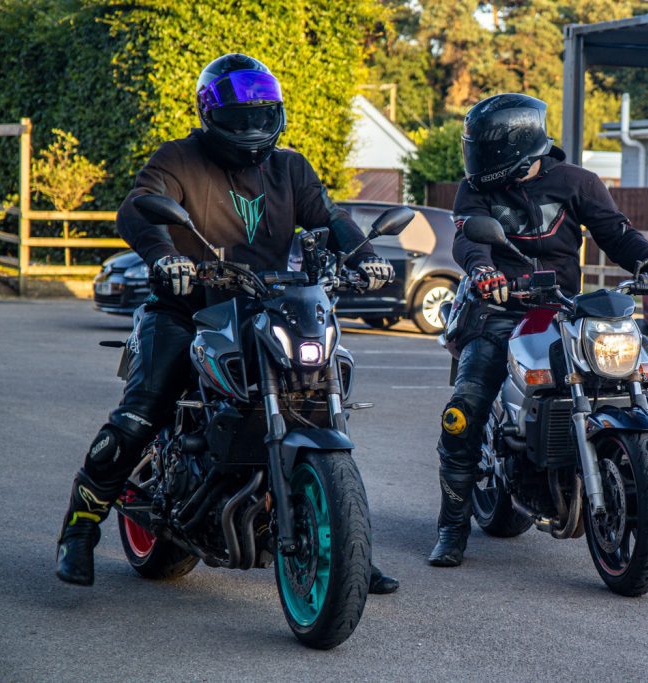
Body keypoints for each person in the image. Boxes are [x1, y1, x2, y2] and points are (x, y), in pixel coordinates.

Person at [56, 53, 400, 593]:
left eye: (263, 117)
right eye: (240, 119)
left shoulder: (290, 167)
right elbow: (139, 206)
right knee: (144, 411)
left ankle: (345, 545)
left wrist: (361, 254)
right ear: (210, 116)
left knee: (317, 398)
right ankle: (79, 527)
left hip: (271, 307)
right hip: (190, 309)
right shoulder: (180, 159)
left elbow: (328, 216)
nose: (252, 129)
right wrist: (164, 259)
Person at [428, 93, 648, 567]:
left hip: (566, 310)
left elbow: (616, 234)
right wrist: (485, 273)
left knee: (628, 374)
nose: (477, 156)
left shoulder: (577, 183)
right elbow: (468, 239)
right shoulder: (476, 190)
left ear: (518, 145)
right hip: (498, 308)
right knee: (464, 410)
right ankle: (452, 526)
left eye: (485, 147)